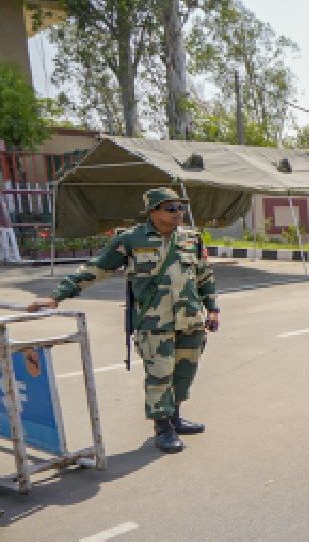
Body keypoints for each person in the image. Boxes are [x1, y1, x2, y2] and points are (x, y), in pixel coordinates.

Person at [27, 187, 220, 454]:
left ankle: (175, 417)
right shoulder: (131, 240)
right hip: (154, 322)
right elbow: (97, 268)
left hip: (191, 320)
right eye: (171, 208)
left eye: (180, 207)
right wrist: (57, 296)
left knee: (183, 373)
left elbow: (204, 275)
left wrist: (213, 308)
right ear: (153, 211)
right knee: (159, 374)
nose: (179, 213)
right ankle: (162, 428)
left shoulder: (191, 238)